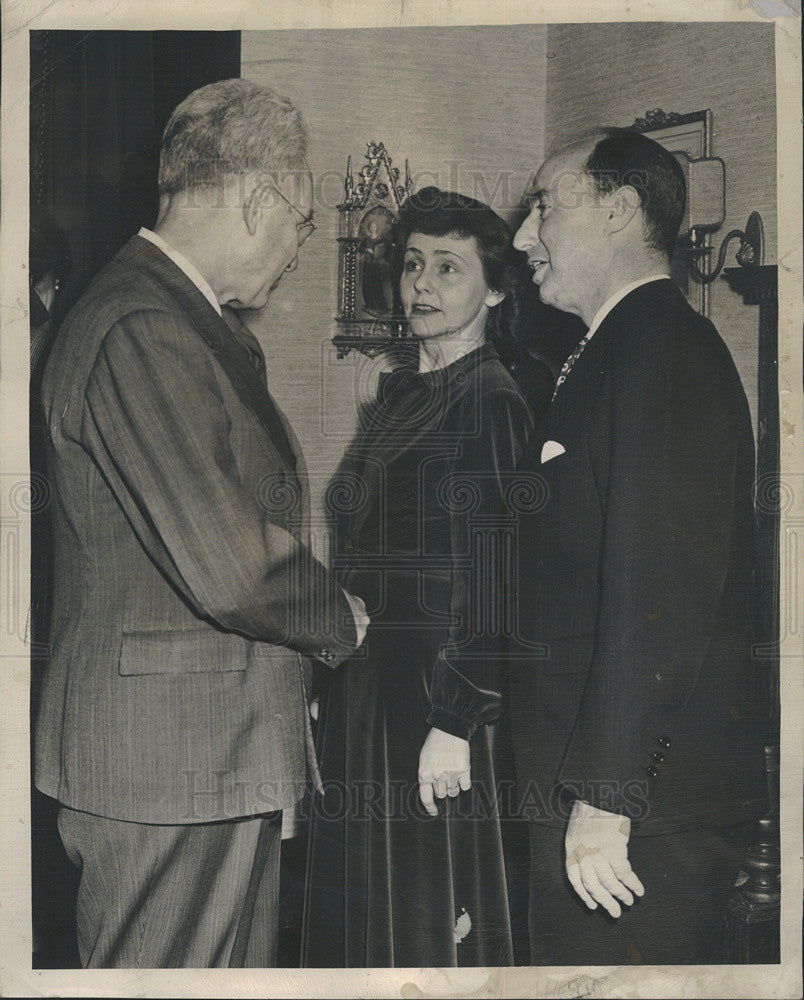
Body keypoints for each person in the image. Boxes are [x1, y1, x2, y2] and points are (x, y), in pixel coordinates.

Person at [34, 78, 369, 969]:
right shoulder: (143, 323)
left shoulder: (181, 319)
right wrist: (336, 613)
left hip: (201, 758)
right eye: (302, 221)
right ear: (261, 196)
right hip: (168, 766)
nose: (301, 248)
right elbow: (228, 563)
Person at [509, 127, 768, 964]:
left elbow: (661, 594)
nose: (523, 236)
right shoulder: (617, 350)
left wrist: (605, 797)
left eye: (544, 205)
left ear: (618, 210)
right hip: (611, 805)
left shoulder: (660, 350)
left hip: (637, 820)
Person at [302, 188, 537, 968]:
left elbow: (500, 574)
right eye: (411, 265)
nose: (421, 286)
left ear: (496, 290)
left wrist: (458, 720)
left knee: (425, 922)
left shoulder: (492, 401)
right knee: (364, 913)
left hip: (435, 706)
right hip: (371, 694)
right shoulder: (403, 391)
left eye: (447, 268)